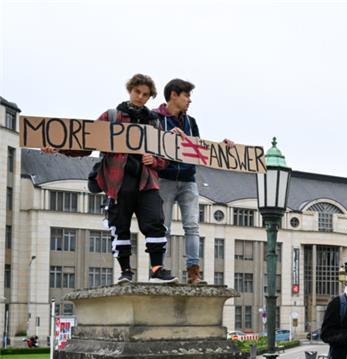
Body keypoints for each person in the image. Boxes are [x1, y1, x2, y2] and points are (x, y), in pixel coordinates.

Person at [42, 74, 176, 284]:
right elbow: (86, 143)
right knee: (119, 226)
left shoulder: (154, 122)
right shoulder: (111, 117)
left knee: (155, 223)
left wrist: (155, 161)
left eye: (145, 94)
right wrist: (58, 146)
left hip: (146, 181)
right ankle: (125, 272)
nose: (140, 97)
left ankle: (157, 268)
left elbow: (166, 158)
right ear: (130, 90)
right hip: (118, 182)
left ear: (150, 97)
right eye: (137, 92)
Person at [154, 79, 234, 285]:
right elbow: (149, 143)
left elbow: (198, 148)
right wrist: (167, 138)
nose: (190, 100)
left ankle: (193, 272)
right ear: (173, 95)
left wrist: (220, 148)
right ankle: (158, 268)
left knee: (192, 226)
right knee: (163, 227)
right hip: (165, 178)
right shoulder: (155, 118)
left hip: (188, 179)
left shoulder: (191, 122)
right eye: (186, 95)